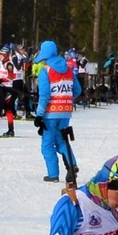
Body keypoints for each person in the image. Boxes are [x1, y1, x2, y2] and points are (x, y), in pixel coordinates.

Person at [35, 41, 80, 186]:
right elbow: (78, 90)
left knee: (47, 144)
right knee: (61, 140)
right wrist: (67, 100)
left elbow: (44, 95)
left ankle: (53, 174)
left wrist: (39, 115)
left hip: (50, 114)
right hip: (66, 112)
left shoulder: (45, 71)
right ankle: (72, 165)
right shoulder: (68, 69)